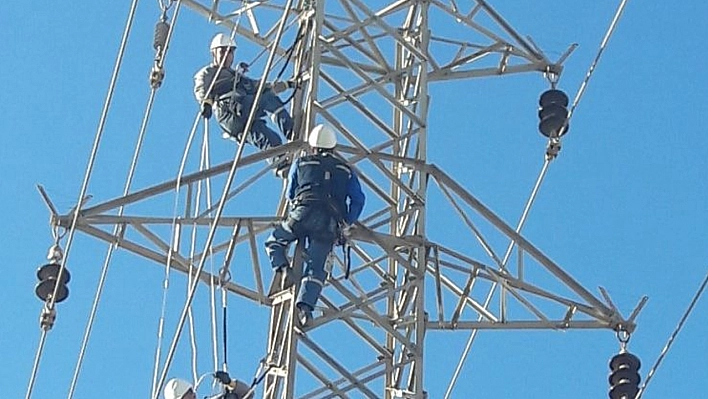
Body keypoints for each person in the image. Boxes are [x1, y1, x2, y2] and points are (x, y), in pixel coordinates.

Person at [264, 124, 365, 326]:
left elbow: (290, 193)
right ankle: (305, 310)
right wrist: (347, 222)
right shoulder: (346, 170)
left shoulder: (302, 163)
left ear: (312, 147)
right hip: (328, 223)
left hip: (302, 213)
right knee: (316, 268)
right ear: (333, 148)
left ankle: (283, 269)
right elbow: (358, 200)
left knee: (275, 241)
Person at [193, 33, 295, 175]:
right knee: (265, 99)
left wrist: (287, 84)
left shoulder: (239, 79)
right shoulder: (208, 73)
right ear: (213, 53)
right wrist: (206, 104)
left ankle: (280, 164)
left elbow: (262, 86)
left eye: (230, 52)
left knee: (268, 136)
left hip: (243, 111)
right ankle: (291, 131)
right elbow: (202, 89)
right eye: (222, 51)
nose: (226, 55)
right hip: (229, 111)